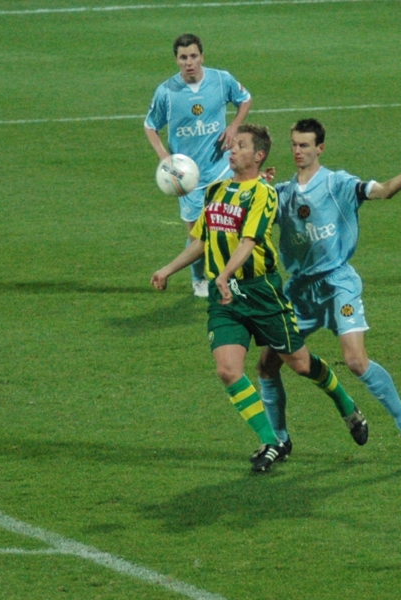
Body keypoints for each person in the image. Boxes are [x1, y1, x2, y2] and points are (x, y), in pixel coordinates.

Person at [152, 124, 368, 473]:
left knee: (300, 364)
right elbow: (204, 241)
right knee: (227, 370)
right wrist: (167, 269)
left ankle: (345, 402)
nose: (231, 150)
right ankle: (272, 441)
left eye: (240, 145)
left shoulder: (264, 194)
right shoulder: (216, 191)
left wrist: (223, 275)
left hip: (261, 293)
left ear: (259, 155)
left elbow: (249, 241)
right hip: (226, 300)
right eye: (232, 145)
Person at [258, 118, 401, 466]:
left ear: (320, 148)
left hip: (337, 283)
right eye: (294, 145)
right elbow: (250, 220)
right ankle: (280, 440)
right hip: (299, 291)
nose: (298, 151)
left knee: (356, 362)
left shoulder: (338, 183)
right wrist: (256, 187)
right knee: (268, 365)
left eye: (305, 145)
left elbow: (383, 190)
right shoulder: (281, 194)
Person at [145, 33, 252, 298]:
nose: (189, 62)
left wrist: (234, 126)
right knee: (197, 236)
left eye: (193, 56)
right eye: (183, 57)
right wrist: (163, 156)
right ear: (177, 60)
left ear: (202, 56)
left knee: (232, 226)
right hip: (187, 179)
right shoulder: (166, 92)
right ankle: (198, 278)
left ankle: (235, 274)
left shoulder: (221, 79)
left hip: (221, 169)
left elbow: (245, 99)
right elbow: (150, 125)